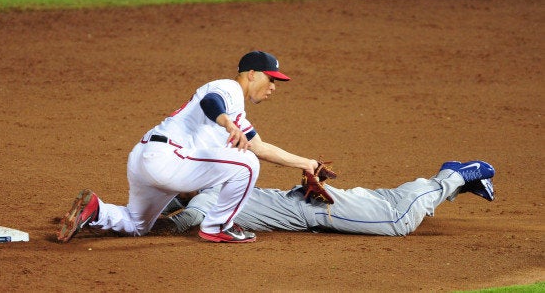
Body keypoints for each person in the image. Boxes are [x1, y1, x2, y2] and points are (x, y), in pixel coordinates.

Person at [57, 51, 320, 243]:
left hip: (146, 159)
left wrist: (306, 163)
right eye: (270, 79)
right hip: (168, 159)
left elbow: (260, 147)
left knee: (137, 225)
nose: (273, 87)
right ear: (251, 74)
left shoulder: (237, 113)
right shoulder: (228, 88)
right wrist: (228, 124)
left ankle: (96, 209)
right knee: (247, 164)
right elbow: (211, 102)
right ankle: (218, 227)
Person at [155, 160, 496, 236]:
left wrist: (151, 229)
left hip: (316, 210)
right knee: (389, 201)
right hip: (312, 203)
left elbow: (190, 216)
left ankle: (454, 176)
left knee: (397, 219)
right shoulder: (217, 187)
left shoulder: (212, 194)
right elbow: (177, 201)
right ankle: (457, 182)